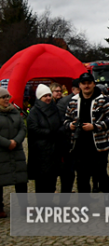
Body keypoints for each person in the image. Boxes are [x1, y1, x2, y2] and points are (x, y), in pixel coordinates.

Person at [63, 72, 109, 193]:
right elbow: (66, 119)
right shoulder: (73, 101)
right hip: (79, 144)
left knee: (101, 174)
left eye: (89, 83)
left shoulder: (103, 100)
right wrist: (70, 125)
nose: (86, 86)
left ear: (93, 84)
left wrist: (95, 126)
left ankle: (107, 200)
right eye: (84, 83)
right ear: (80, 85)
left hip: (99, 144)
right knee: (82, 176)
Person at [26, 84, 65, 193]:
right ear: (39, 97)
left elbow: (62, 123)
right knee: (42, 182)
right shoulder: (34, 112)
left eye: (49, 95)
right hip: (41, 152)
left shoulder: (55, 109)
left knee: (52, 181)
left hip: (54, 150)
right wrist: (50, 132)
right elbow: (33, 129)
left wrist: (60, 131)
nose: (48, 98)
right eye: (45, 96)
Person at [0, 87, 27, 219]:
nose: (6, 99)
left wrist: (15, 141)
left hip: (16, 150)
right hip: (2, 151)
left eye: (7, 97)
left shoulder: (14, 112)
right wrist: (7, 143)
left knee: (21, 179)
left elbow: (22, 128)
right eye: (3, 97)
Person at [57, 78, 80, 193]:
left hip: (82, 140)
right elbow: (60, 122)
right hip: (68, 141)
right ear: (73, 89)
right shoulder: (64, 102)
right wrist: (69, 126)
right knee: (68, 171)